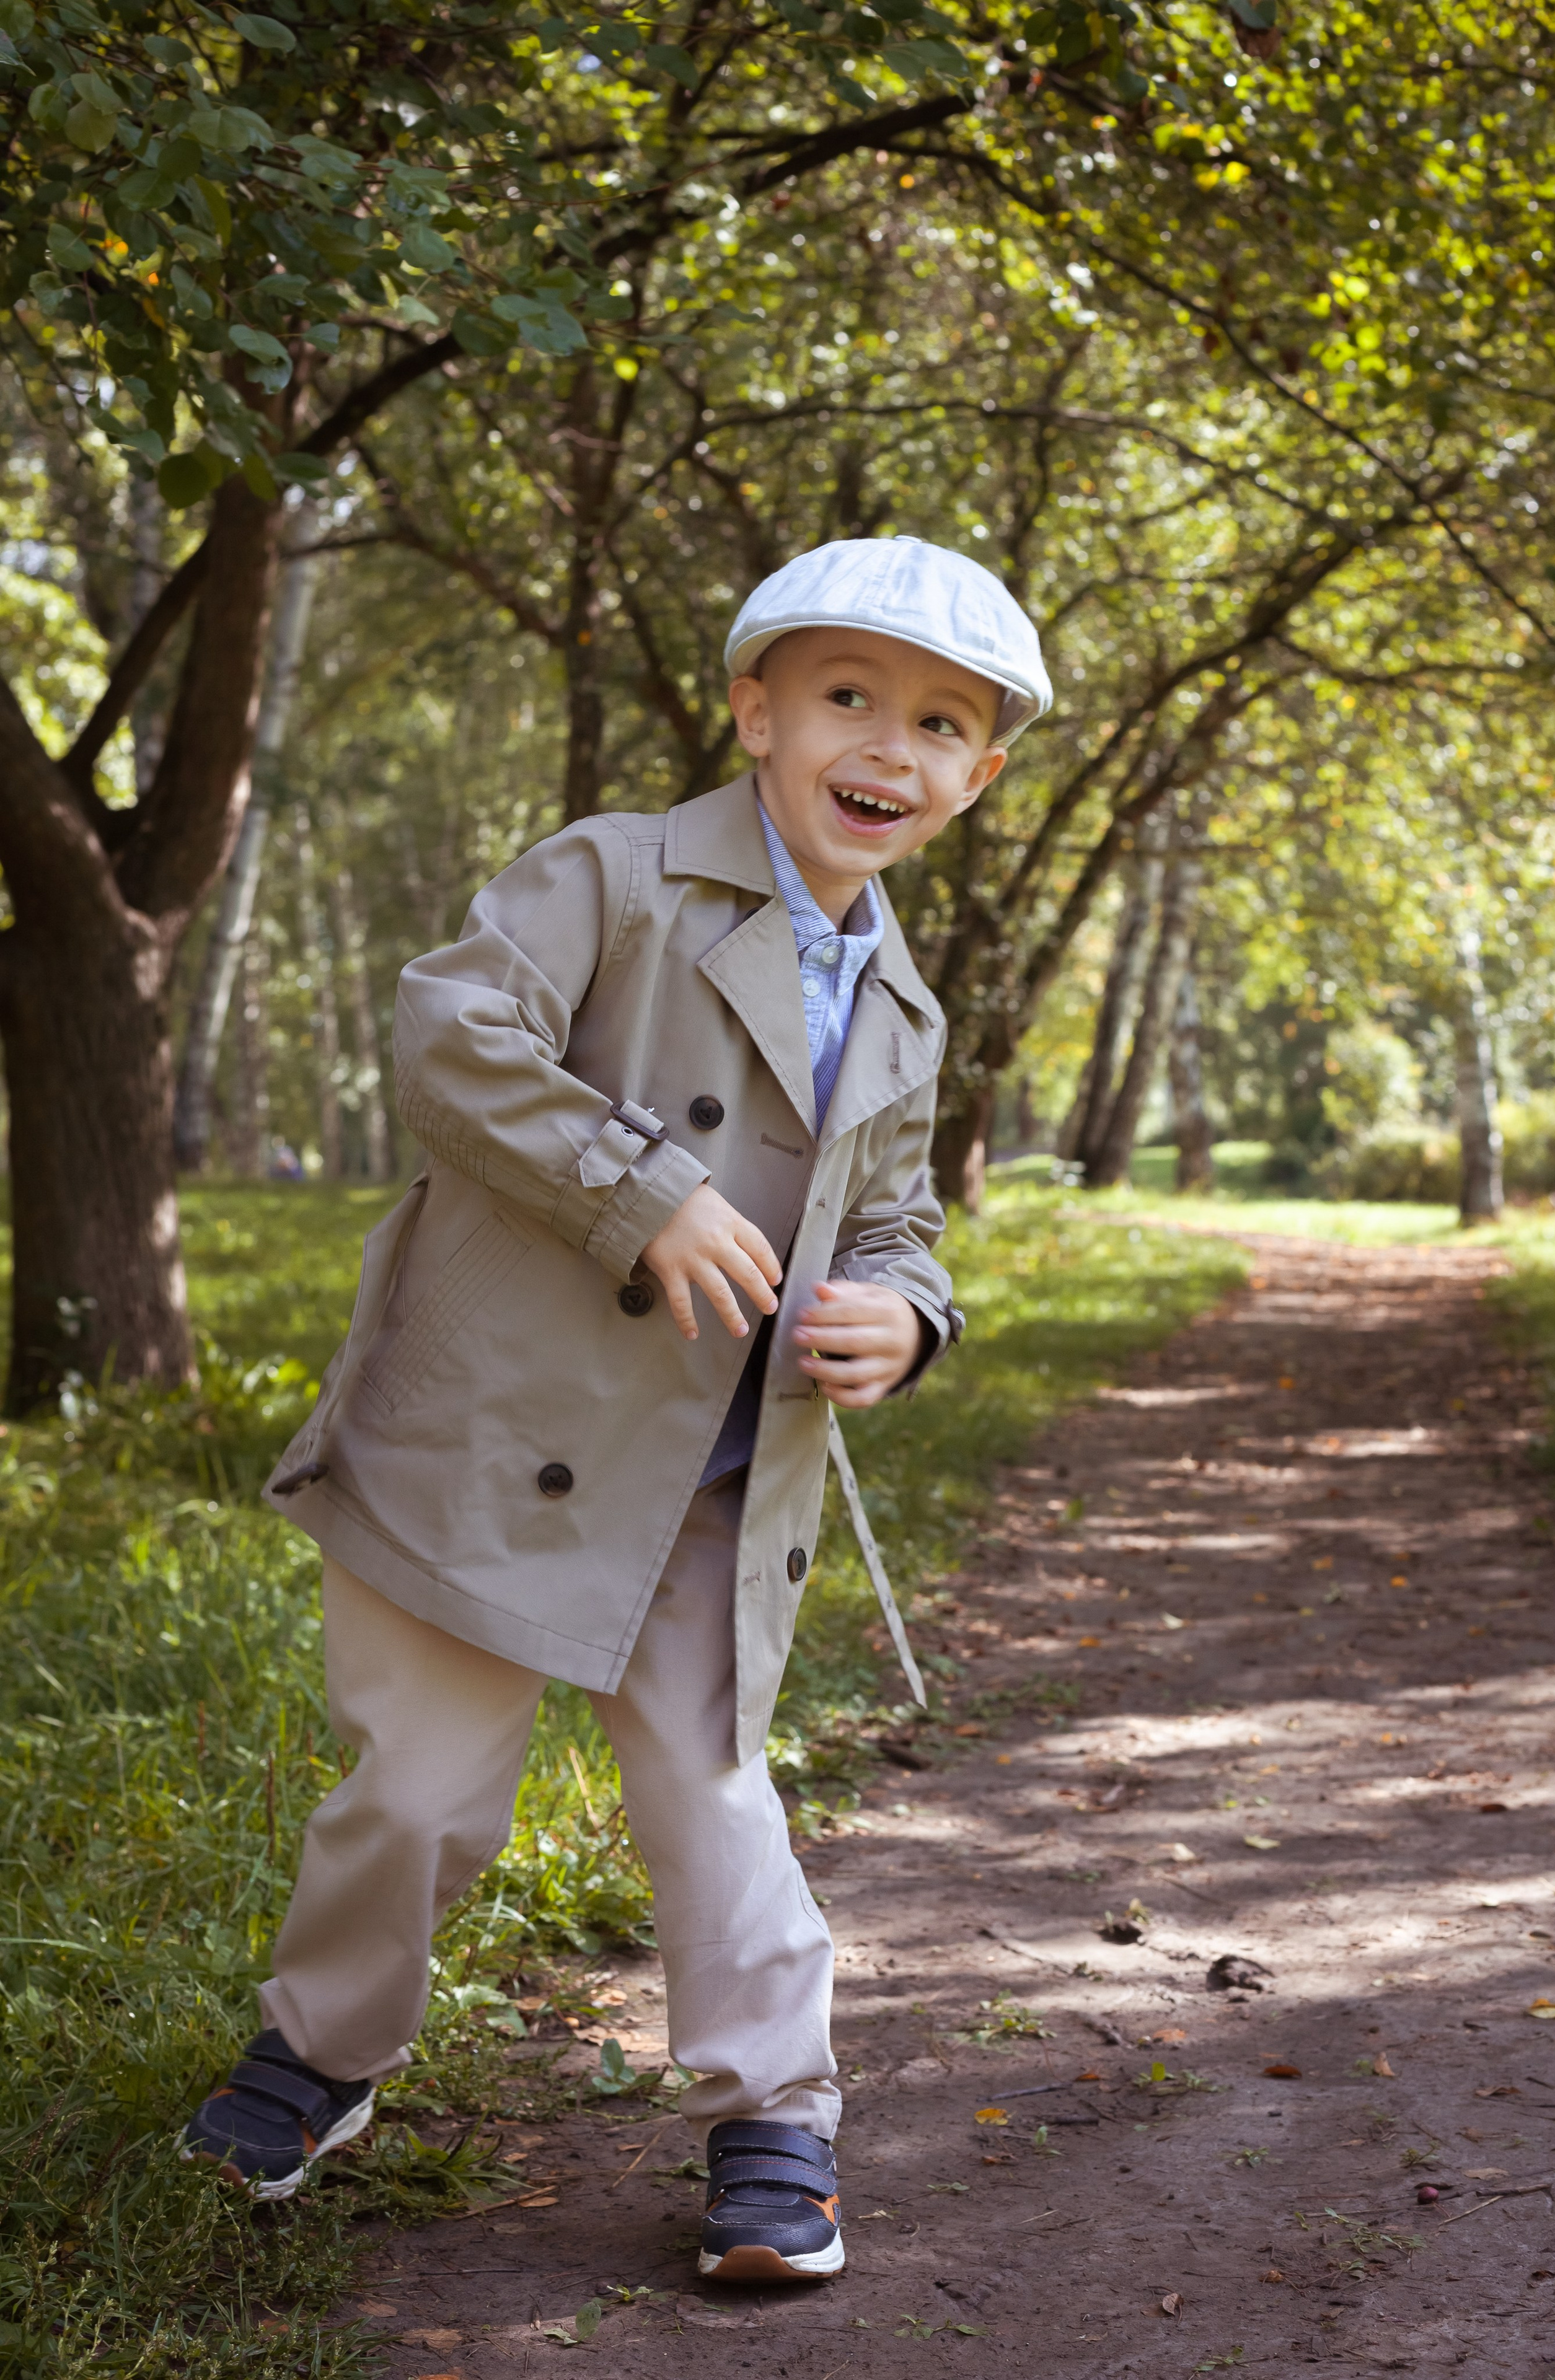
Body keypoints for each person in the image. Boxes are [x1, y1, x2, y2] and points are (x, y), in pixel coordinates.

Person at [180, 536, 1052, 2281]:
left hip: (716, 1474)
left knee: (713, 1797)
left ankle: (772, 2115)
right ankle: (324, 2048)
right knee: (419, 1790)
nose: (889, 745)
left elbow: (895, 1220)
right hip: (493, 1438)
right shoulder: (616, 880)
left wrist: (907, 1312)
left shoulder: (900, 1007)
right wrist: (635, 1186)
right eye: (848, 698)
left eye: (941, 722)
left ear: (981, 773)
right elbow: (450, 1035)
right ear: (756, 708)